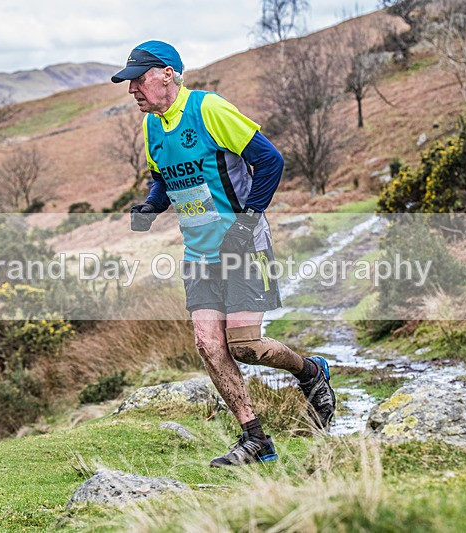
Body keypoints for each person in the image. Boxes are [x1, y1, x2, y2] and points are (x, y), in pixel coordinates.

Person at [111, 41, 335, 467]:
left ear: (167, 74)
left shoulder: (208, 109)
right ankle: (255, 439)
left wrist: (247, 221)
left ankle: (311, 371)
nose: (132, 90)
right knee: (209, 345)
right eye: (129, 82)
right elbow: (164, 180)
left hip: (243, 246)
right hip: (199, 254)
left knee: (246, 346)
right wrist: (150, 206)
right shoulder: (152, 127)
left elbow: (269, 161)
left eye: (139, 79)